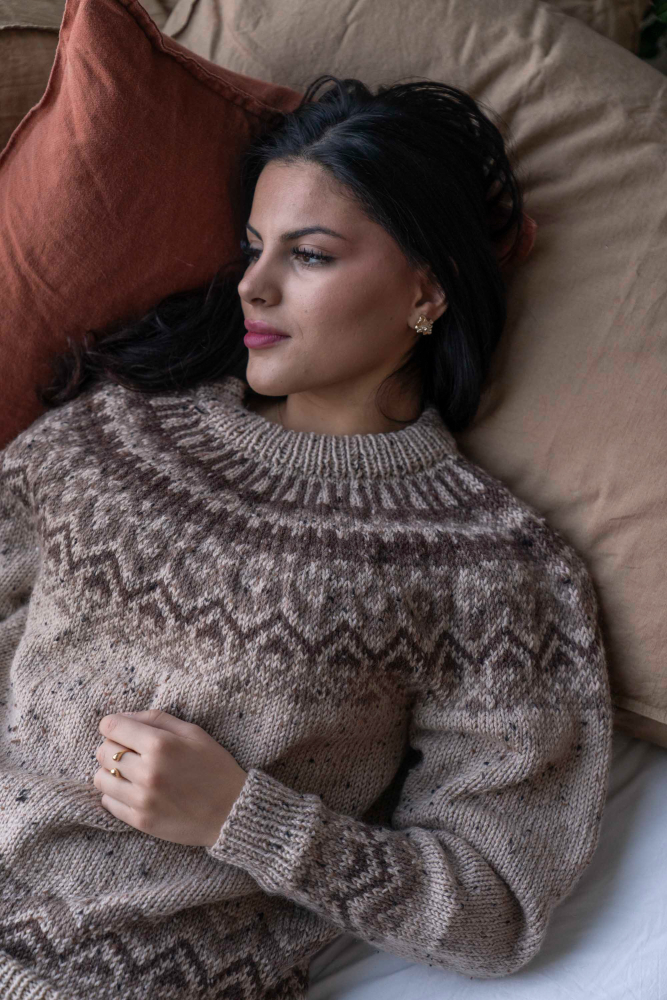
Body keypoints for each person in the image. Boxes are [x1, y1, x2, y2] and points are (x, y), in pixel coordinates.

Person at [0, 76, 612, 1000]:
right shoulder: (108, 441)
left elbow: (495, 906)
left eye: (311, 255)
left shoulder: (485, 567)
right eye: (253, 248)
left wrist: (243, 819)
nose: (253, 284)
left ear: (428, 286)